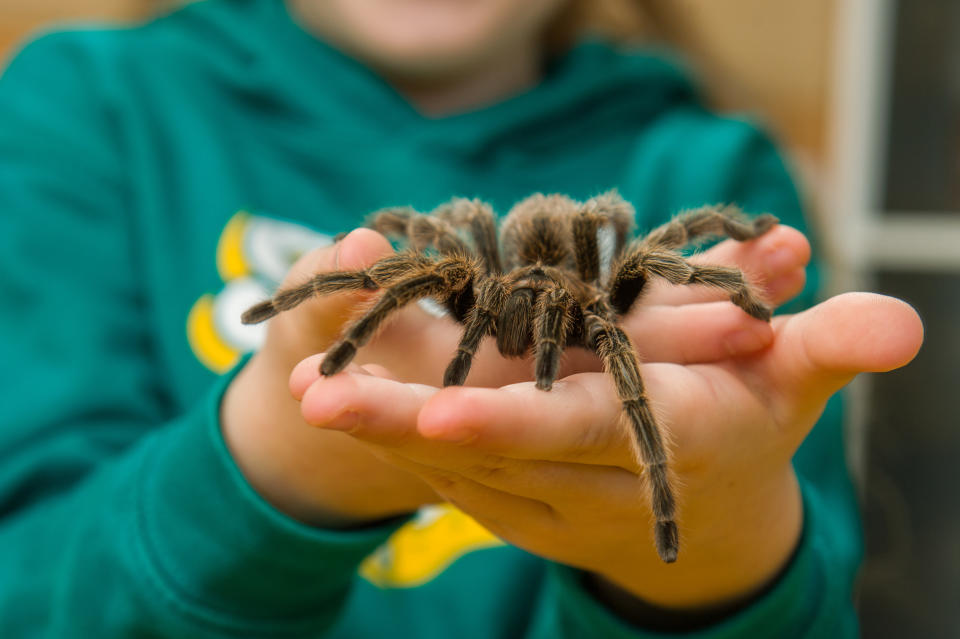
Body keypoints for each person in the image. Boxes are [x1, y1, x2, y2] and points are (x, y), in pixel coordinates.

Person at [0, 0, 922, 636]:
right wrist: (280, 455)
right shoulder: (90, 108)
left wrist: (716, 546)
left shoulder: (702, 164)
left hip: (588, 277)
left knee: (618, 278)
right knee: (423, 251)